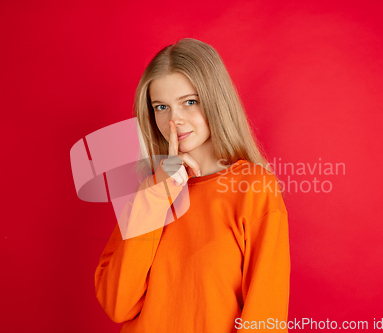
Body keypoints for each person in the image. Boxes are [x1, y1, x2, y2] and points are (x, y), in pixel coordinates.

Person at [94, 38, 290, 332]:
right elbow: (117, 304)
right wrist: (158, 194)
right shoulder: (150, 193)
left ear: (215, 100)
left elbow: (266, 316)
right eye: (161, 107)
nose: (175, 120)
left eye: (190, 102)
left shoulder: (253, 188)